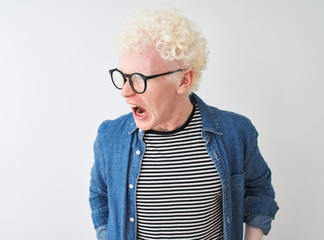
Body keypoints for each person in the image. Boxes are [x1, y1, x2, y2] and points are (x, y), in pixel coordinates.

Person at [89, 6, 278, 240]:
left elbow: (259, 192)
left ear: (183, 80)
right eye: (124, 77)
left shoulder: (235, 134)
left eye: (138, 79)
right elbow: (99, 194)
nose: (125, 92)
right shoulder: (110, 138)